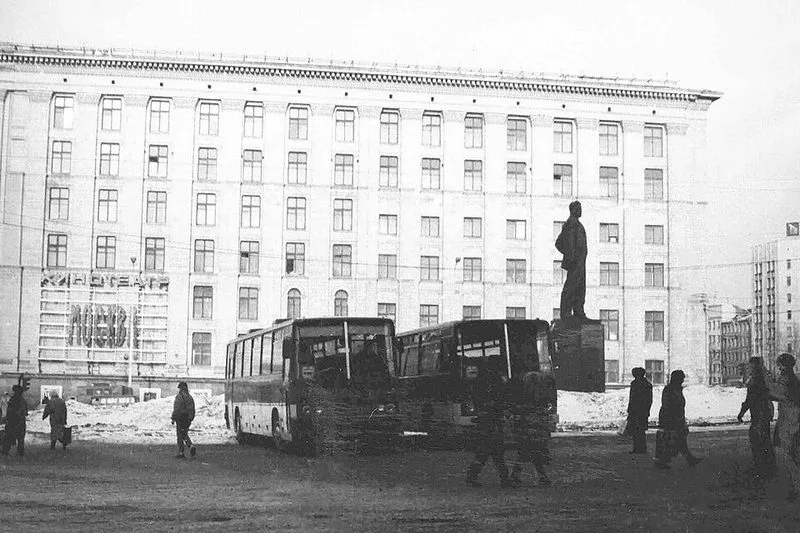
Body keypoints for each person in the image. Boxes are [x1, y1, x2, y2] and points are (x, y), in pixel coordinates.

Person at [466, 357, 512, 488]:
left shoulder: (480, 381)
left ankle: (473, 476)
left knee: (487, 452)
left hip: (485, 420)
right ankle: (504, 478)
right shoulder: (494, 380)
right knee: (495, 452)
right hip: (492, 420)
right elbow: (500, 398)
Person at [508, 371, 552, 486]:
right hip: (537, 431)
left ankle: (516, 476)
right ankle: (541, 476)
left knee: (525, 453)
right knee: (534, 454)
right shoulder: (542, 397)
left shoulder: (523, 396)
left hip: (526, 431)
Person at [737, 357, 776, 483]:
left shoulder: (756, 380)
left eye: (751, 366)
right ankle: (767, 468)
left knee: (758, 441)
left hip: (759, 415)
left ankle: (762, 470)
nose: (749, 368)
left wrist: (741, 413)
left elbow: (750, 399)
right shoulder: (761, 378)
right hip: (762, 414)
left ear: (755, 366)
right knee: (764, 441)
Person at [654, 370, 702, 470]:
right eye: (681, 378)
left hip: (675, 417)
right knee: (671, 439)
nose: (683, 380)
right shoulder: (671, 389)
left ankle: (689, 459)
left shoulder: (675, 388)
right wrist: (675, 418)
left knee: (679, 439)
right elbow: (669, 405)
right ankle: (662, 461)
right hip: (671, 418)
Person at [768, 352, 800, 500]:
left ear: (783, 365)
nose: (778, 367)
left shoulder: (786, 378)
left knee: (786, 454)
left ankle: (795, 487)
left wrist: (766, 387)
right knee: (790, 452)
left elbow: (778, 394)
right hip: (792, 417)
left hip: (789, 418)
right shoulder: (794, 378)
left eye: (779, 364)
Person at [555, 200, 587, 320]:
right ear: (573, 210)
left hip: (580, 261)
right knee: (571, 286)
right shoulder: (570, 223)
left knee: (580, 286)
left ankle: (578, 311)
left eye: (580, 208)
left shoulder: (577, 224)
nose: (580, 211)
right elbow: (559, 243)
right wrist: (570, 255)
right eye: (578, 209)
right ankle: (566, 312)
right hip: (575, 261)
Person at [626, 367, 653, 454]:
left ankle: (637, 448)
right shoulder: (647, 384)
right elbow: (649, 400)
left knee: (636, 430)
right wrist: (647, 410)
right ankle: (642, 448)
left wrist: (629, 409)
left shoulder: (634, 384)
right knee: (641, 430)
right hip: (643, 411)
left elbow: (632, 398)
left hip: (635, 410)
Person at [1, 385, 29, 457]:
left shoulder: (13, 399)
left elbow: (10, 411)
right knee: (20, 438)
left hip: (12, 422)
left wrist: (9, 418)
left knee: (8, 436)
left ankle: (5, 450)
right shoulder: (23, 400)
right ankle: (20, 452)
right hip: (21, 422)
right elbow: (26, 412)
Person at [171, 382, 196, 459]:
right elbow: (193, 409)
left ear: (180, 388)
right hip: (188, 418)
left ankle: (181, 452)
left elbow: (176, 408)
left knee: (180, 435)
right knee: (184, 433)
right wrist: (191, 418)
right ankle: (191, 446)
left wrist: (173, 418)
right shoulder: (190, 397)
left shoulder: (179, 397)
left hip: (180, 418)